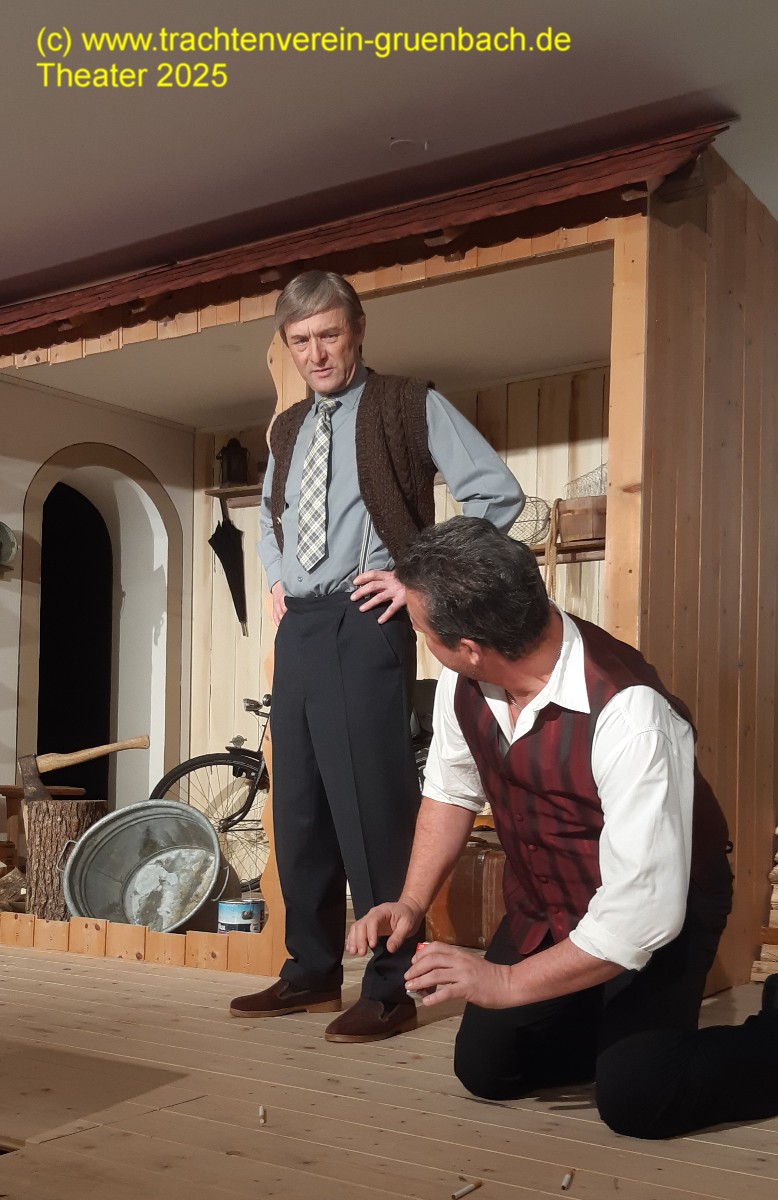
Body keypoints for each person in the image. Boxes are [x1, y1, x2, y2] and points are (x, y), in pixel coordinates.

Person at [349, 516, 778, 1137]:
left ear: (470, 645)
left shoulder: (632, 715)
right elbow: (450, 791)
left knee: (639, 1099)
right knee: (487, 1069)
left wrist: (504, 980)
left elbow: (641, 917)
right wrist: (411, 903)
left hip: (659, 909)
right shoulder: (464, 680)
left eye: (420, 629)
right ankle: (610, 1031)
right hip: (547, 903)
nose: (420, 639)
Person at [229, 273, 524, 1042]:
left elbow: (496, 493)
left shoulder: (406, 403)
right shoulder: (288, 428)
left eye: (329, 334)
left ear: (357, 328)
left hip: (366, 620)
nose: (317, 353)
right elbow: (271, 516)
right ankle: (310, 970)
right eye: (300, 341)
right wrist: (276, 577)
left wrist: (419, 578)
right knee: (299, 808)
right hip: (299, 629)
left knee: (371, 806)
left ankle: (393, 987)